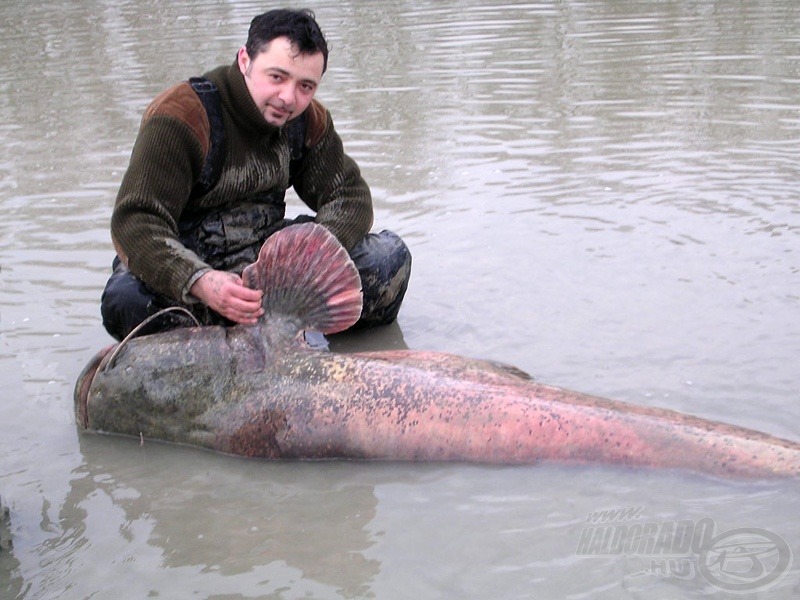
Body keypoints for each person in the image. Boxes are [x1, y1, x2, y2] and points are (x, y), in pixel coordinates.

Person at [100, 8, 411, 342]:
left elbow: (349, 196)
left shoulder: (307, 119)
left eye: (306, 86)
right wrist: (200, 281)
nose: (289, 98)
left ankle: (302, 352)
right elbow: (136, 222)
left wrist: (306, 261)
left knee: (387, 260)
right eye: (277, 77)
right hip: (193, 271)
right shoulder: (180, 116)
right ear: (245, 60)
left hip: (271, 267)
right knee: (127, 301)